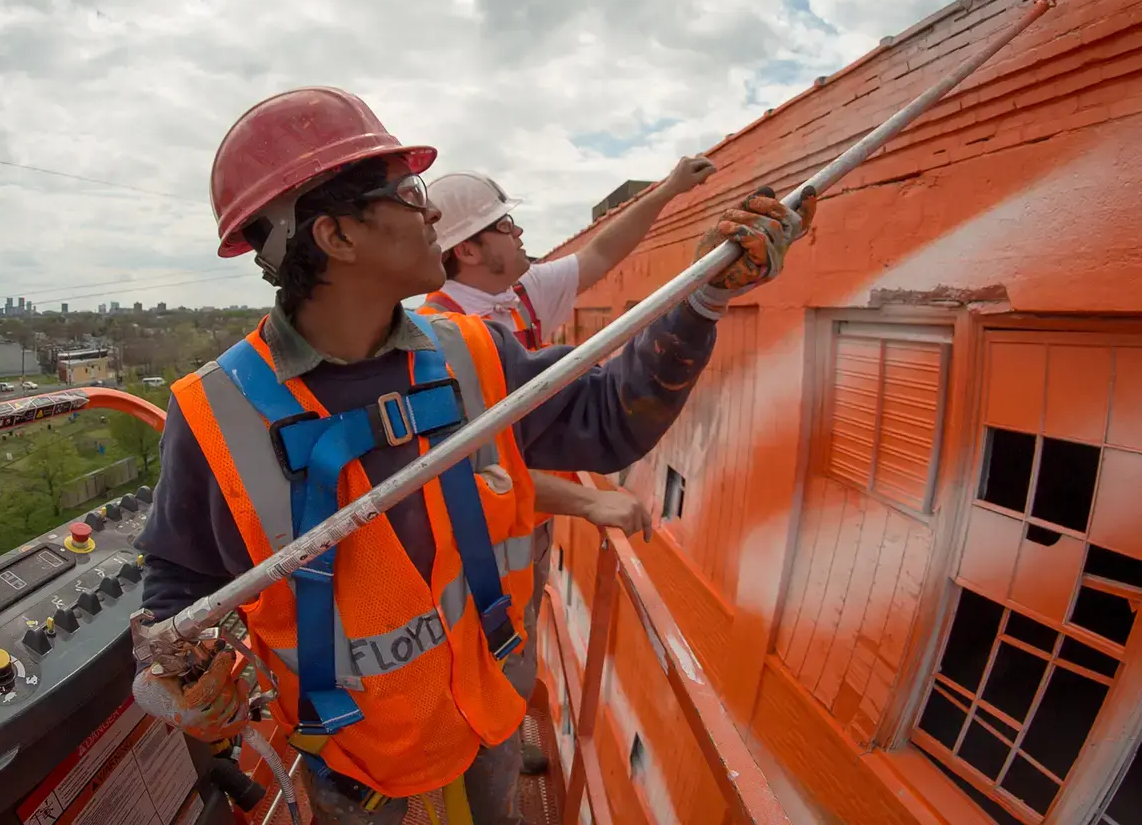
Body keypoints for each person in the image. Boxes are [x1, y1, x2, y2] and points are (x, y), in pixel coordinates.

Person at [132, 87, 817, 825]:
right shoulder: (217, 413)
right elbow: (181, 582)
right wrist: (189, 675)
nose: (432, 214)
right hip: (357, 760)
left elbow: (608, 421)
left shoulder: (472, 354)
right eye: (409, 192)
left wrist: (704, 299)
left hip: (484, 710)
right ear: (334, 236)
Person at [421, 158, 715, 775]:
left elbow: (605, 250)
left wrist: (672, 188)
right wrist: (585, 500)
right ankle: (473, 756)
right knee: (478, 639)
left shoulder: (516, 296)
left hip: (527, 513)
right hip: (485, 525)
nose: (520, 234)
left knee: (517, 630)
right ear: (469, 248)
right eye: (505, 226)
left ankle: (498, 734)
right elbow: (474, 473)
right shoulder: (444, 336)